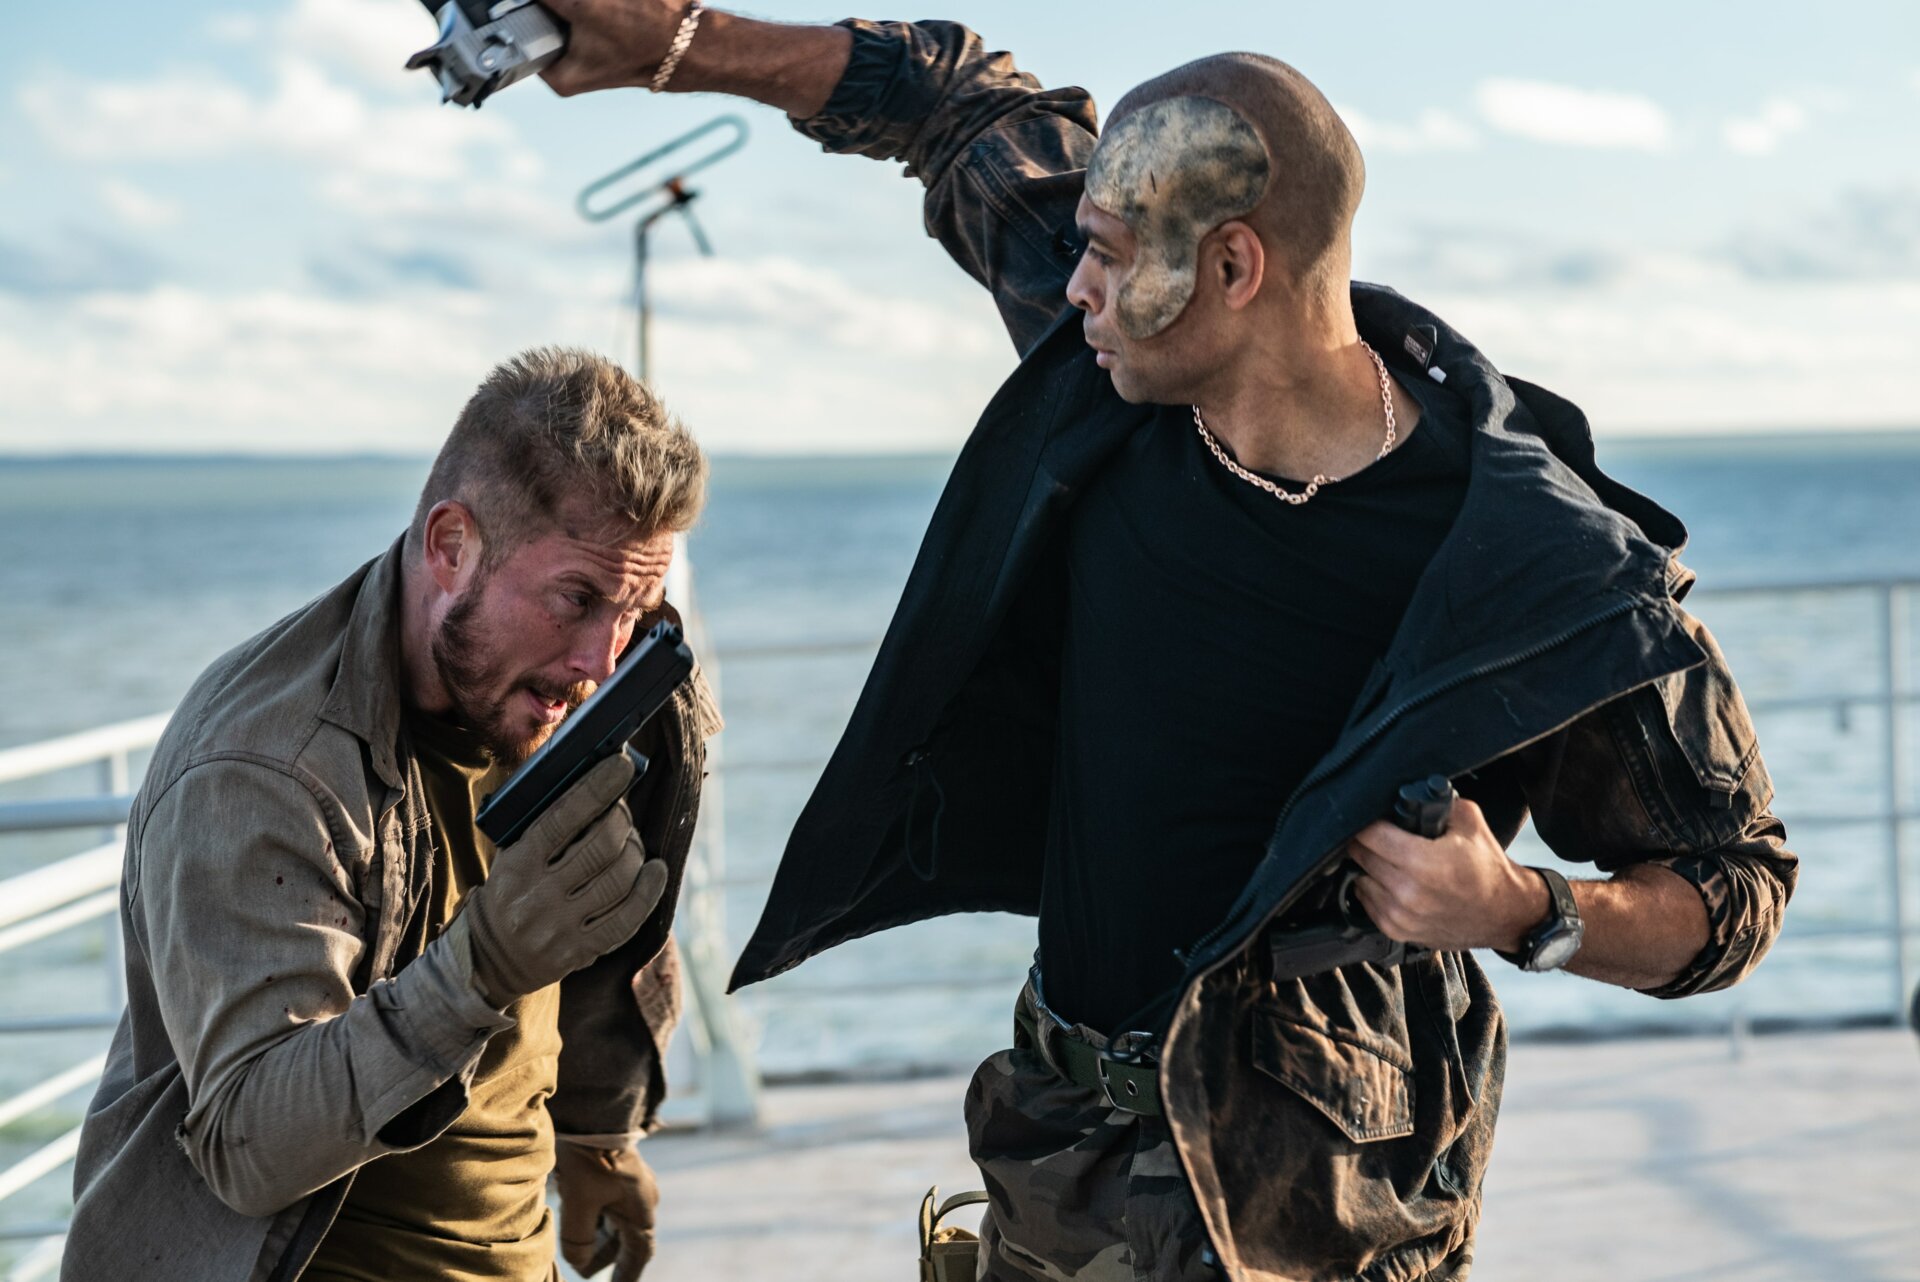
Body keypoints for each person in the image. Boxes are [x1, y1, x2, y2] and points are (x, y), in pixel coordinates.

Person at [542, 10, 1799, 1281]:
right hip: (1055, 1161)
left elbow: (1736, 884)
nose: (1073, 284)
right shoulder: (1120, 367)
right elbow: (956, 103)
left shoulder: (1534, 561)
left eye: (1104, 254)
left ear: (1233, 266)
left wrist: (1522, 908)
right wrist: (669, 41)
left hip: (1320, 1211)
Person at [66, 348, 718, 1282]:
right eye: (576, 599)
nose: (600, 660)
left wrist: (597, 1136)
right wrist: (481, 967)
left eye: (633, 609)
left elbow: (589, 939)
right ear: (451, 547)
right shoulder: (262, 767)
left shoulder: (557, 690)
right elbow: (248, 1145)